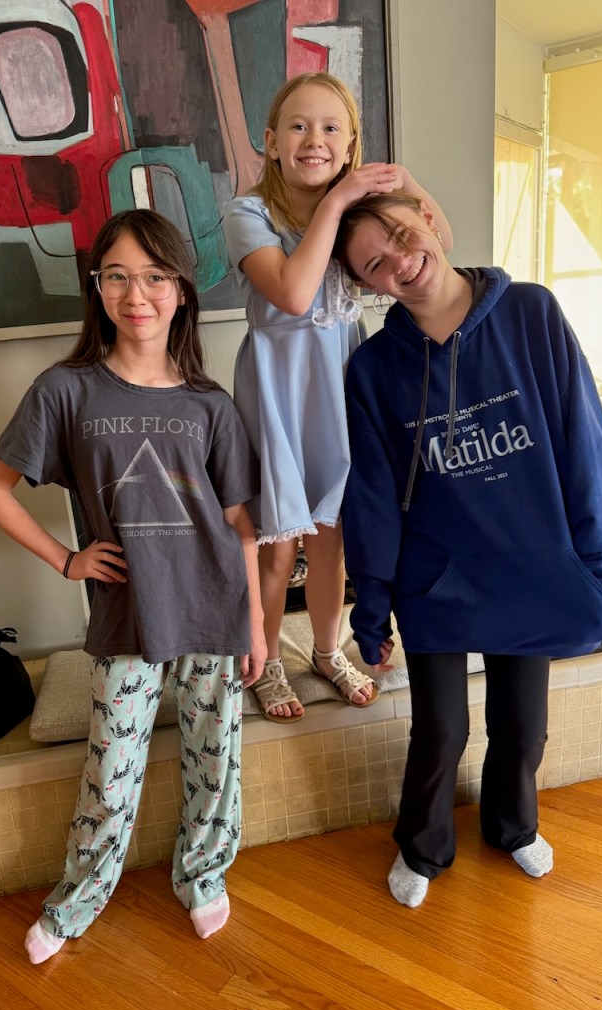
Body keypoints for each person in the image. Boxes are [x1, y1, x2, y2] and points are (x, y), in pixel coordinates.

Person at [334, 191, 602, 907]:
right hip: (435, 576)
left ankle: (513, 826)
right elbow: (373, 494)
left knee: (523, 726)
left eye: (401, 236)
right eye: (375, 265)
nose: (399, 262)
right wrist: (372, 602)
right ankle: (422, 845)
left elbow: (582, 436)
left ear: (429, 220)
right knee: (441, 729)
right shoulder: (374, 368)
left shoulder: (531, 312)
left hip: (530, 564)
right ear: (367, 286)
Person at [0, 209, 266, 961]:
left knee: (215, 761)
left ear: (181, 290)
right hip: (125, 618)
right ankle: (78, 899)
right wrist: (66, 558)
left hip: (214, 612)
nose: (138, 295)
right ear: (97, 288)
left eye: (156, 277)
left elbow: (239, 526)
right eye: (118, 277)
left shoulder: (211, 405)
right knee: (110, 775)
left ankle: (203, 874)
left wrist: (258, 626)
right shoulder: (65, 391)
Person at [222, 72, 453, 723]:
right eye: (298, 126)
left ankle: (327, 651)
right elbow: (294, 294)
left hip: (344, 391)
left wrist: (405, 180)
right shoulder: (248, 214)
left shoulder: (359, 217)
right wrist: (341, 197)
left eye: (331, 128)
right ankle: (267, 660)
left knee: (333, 540)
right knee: (279, 547)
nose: (314, 139)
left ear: (350, 145)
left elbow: (439, 245)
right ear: (272, 141)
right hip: (277, 396)